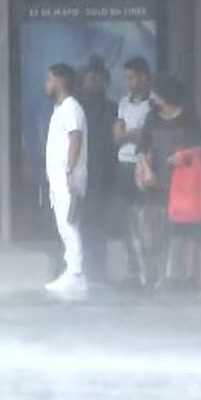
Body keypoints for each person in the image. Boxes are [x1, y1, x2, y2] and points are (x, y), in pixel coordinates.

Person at [136, 75, 201, 290]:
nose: (153, 97)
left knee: (189, 230)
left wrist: (182, 156)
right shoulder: (152, 118)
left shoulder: (190, 118)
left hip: (184, 183)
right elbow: (142, 148)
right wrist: (146, 170)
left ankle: (190, 278)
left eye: (156, 93)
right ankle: (161, 276)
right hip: (156, 181)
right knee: (159, 229)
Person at [43, 63, 89, 298]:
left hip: (68, 179)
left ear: (60, 81)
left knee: (69, 225)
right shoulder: (61, 109)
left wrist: (70, 171)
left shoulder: (71, 107)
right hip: (60, 179)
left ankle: (76, 274)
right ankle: (72, 271)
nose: (47, 84)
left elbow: (75, 137)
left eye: (49, 79)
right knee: (65, 225)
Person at [113, 57, 153, 287]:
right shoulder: (124, 103)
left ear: (143, 77)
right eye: (125, 78)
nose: (128, 83)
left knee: (144, 217)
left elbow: (145, 135)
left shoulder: (152, 104)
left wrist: (130, 135)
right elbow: (117, 135)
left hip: (142, 164)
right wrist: (131, 134)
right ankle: (132, 265)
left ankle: (148, 267)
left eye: (131, 78)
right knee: (125, 216)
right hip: (123, 164)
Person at [78, 55, 118, 285]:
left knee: (100, 226)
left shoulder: (113, 108)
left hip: (106, 175)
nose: (94, 84)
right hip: (83, 174)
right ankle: (84, 270)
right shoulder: (76, 109)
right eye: (90, 79)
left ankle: (98, 271)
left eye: (98, 79)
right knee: (82, 225)